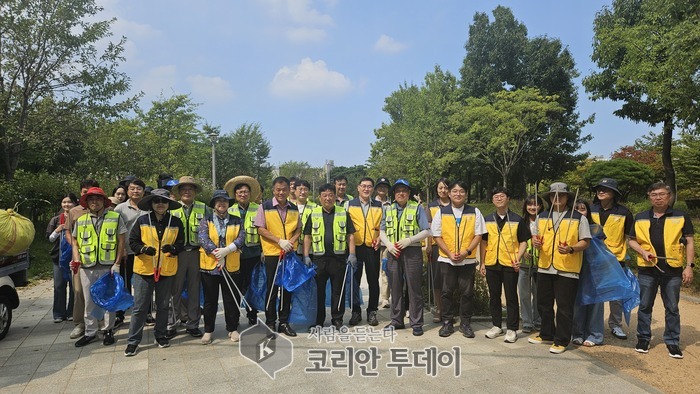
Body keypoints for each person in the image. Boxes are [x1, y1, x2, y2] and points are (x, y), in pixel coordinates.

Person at [628, 182, 695, 359]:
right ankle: (643, 338)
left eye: (662, 194)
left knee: (672, 307)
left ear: (669, 196)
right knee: (644, 306)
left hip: (672, 269)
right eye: (654, 194)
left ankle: (672, 341)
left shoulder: (681, 216)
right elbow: (631, 240)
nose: (658, 197)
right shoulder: (641, 216)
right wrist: (643, 251)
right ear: (649, 196)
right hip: (647, 268)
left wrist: (689, 266)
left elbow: (689, 241)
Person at [528, 182, 591, 354]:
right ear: (549, 198)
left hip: (567, 268)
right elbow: (536, 239)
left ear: (567, 197)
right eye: (553, 195)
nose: (557, 198)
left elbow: (586, 241)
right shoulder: (542, 216)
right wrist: (536, 243)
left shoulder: (578, 217)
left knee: (564, 306)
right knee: (543, 303)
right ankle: (547, 333)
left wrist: (571, 248)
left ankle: (562, 339)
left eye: (561, 195)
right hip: (545, 266)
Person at [124, 189, 184, 356]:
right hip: (144, 269)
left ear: (168, 204)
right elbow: (132, 241)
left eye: (164, 201)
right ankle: (133, 341)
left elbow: (181, 243)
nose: (160, 204)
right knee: (140, 307)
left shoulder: (176, 222)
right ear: (151, 203)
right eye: (156, 200)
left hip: (166, 269)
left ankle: (161, 335)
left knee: (163, 306)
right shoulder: (142, 220)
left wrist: (173, 248)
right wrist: (143, 249)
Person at [70, 187, 126, 347]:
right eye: (91, 199)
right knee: (89, 301)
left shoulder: (115, 217)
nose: (94, 202)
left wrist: (117, 263)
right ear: (86, 203)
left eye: (98, 199)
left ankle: (108, 330)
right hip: (87, 266)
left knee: (109, 300)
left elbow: (121, 240)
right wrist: (76, 259)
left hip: (108, 266)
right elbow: (74, 241)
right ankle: (90, 332)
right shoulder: (81, 220)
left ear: (104, 202)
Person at [431, 180, 485, 338]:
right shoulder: (441, 212)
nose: (458, 194)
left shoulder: (474, 211)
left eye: (461, 191)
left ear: (466, 194)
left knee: (467, 293)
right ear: (449, 193)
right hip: (447, 260)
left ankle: (465, 323)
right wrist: (449, 253)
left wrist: (466, 252)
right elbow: (437, 236)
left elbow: (479, 235)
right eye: (454, 191)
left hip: (467, 260)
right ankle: (447, 323)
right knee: (446, 292)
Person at [379, 179, 430, 336]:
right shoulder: (388, 209)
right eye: (398, 190)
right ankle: (397, 321)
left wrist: (410, 240)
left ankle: (416, 323)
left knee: (414, 288)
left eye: (404, 190)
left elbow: (427, 231)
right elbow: (381, 230)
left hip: (412, 252)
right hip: (393, 252)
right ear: (394, 194)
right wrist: (388, 244)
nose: (401, 193)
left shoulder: (417, 208)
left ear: (409, 193)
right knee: (395, 287)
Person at [303, 184, 356, 329]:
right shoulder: (313, 213)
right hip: (319, 259)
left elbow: (350, 235)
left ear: (334, 196)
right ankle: (318, 320)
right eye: (324, 195)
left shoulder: (343, 213)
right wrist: (306, 255)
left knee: (338, 290)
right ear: (319, 197)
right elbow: (307, 236)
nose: (328, 198)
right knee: (318, 291)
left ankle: (337, 319)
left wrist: (352, 254)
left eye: (330, 195)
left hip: (338, 258)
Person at [480, 187, 529, 343]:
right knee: (494, 296)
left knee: (511, 296)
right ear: (492, 200)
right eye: (496, 196)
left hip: (509, 263)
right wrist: (482, 262)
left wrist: (518, 257)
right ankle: (496, 325)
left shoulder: (517, 219)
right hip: (491, 262)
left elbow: (523, 242)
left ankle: (512, 329)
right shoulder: (487, 219)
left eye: (502, 196)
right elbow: (483, 243)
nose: (499, 199)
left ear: (508, 199)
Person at [254, 176, 301, 337]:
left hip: (289, 253)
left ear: (289, 190)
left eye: (284, 189)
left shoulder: (294, 208)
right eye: (278, 190)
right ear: (273, 190)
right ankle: (270, 321)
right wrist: (279, 241)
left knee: (287, 288)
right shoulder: (265, 206)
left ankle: (284, 322)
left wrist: (290, 242)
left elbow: (298, 229)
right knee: (272, 288)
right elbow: (260, 228)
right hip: (272, 253)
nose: (281, 192)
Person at [198, 190, 246, 344]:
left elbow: (241, 237)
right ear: (213, 204)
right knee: (210, 300)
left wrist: (227, 250)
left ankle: (232, 329)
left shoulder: (236, 220)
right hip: (210, 266)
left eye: (224, 200)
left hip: (231, 264)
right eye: (218, 201)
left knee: (231, 298)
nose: (222, 203)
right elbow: (203, 238)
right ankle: (208, 330)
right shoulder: (206, 220)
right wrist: (217, 254)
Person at [589, 177, 634, 340]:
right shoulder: (589, 209)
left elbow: (630, 237)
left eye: (605, 189)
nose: (601, 191)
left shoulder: (624, 213)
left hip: (615, 259)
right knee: (594, 294)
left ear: (614, 193)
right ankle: (593, 324)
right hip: (592, 259)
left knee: (616, 295)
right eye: (599, 188)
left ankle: (615, 325)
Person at [168, 176, 209, 338]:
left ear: (195, 191)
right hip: (176, 254)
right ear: (178, 192)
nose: (187, 191)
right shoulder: (172, 209)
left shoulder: (204, 208)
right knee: (175, 290)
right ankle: (172, 323)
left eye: (190, 188)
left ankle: (193, 323)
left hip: (197, 254)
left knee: (194, 290)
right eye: (183, 188)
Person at [64, 179, 99, 339]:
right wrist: (76, 249)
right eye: (85, 192)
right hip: (80, 260)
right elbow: (68, 233)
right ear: (81, 193)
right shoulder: (74, 211)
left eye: (92, 192)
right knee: (79, 292)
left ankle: (101, 323)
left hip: (101, 259)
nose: (89, 195)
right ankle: (80, 324)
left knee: (101, 291)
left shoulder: (106, 210)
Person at [225, 175, 263, 325]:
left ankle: (252, 314)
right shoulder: (229, 210)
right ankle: (233, 318)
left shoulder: (259, 209)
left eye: (246, 192)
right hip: (234, 256)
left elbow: (263, 230)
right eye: (240, 192)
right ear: (235, 195)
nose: (243, 194)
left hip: (253, 255)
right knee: (235, 287)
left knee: (252, 286)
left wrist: (263, 251)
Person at [347, 177, 382, 326]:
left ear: (372, 189)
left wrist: (380, 238)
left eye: (369, 187)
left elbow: (384, 225)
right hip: (356, 247)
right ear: (358, 188)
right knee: (354, 280)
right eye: (363, 186)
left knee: (373, 280)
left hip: (372, 247)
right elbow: (346, 227)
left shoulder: (379, 206)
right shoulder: (349, 204)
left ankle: (372, 311)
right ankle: (355, 312)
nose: (366, 189)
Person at [113, 178, 148, 327]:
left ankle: (146, 313)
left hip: (144, 252)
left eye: (138, 188)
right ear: (128, 191)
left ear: (143, 191)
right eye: (132, 189)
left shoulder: (148, 207)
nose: (135, 191)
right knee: (124, 284)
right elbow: (115, 232)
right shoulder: (120, 209)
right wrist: (120, 252)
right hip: (126, 252)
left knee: (144, 285)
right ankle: (120, 314)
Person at [571, 199, 605, 347]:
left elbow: (603, 250)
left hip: (594, 269)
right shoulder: (567, 227)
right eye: (576, 209)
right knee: (577, 301)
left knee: (595, 302)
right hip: (574, 267)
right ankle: (577, 333)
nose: (579, 212)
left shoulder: (596, 228)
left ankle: (595, 334)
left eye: (583, 209)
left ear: (588, 212)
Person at [46, 193, 78, 323]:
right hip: (58, 258)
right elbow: (49, 238)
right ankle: (59, 313)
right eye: (64, 202)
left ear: (75, 203)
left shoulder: (79, 217)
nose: (66, 205)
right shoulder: (56, 220)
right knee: (59, 286)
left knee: (73, 286)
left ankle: (71, 312)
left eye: (69, 202)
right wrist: (58, 230)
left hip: (74, 257)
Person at [426, 178, 451, 323]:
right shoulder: (431, 206)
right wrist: (428, 245)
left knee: (450, 280)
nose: (443, 190)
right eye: (440, 188)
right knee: (437, 279)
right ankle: (439, 309)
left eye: (446, 188)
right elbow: (428, 228)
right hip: (436, 247)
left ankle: (449, 310)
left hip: (452, 246)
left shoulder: (455, 205)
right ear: (437, 190)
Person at [519, 194, 544, 333]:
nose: (532, 207)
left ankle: (538, 319)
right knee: (524, 294)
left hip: (540, 264)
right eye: (530, 204)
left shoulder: (545, 221)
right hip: (524, 264)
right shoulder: (521, 221)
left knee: (539, 294)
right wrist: (522, 252)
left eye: (536, 204)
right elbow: (515, 240)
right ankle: (527, 321)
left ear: (540, 206)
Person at [374, 177, 391, 309]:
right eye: (380, 186)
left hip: (386, 243)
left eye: (385, 186)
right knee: (373, 271)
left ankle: (385, 298)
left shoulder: (391, 205)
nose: (382, 189)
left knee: (385, 270)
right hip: (372, 242)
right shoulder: (371, 203)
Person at [294, 180, 317, 256]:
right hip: (293, 248)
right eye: (300, 189)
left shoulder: (315, 207)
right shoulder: (289, 207)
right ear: (294, 191)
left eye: (305, 189)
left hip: (311, 249)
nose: (303, 192)